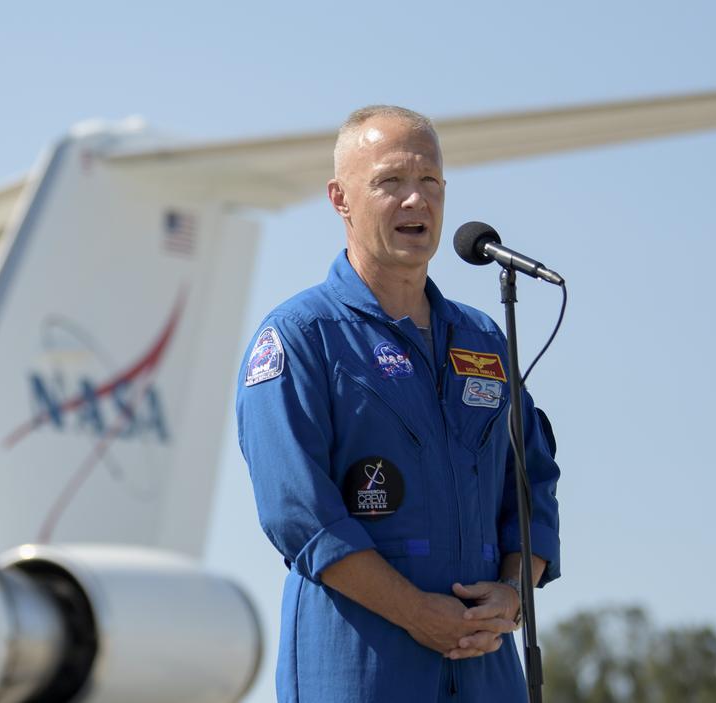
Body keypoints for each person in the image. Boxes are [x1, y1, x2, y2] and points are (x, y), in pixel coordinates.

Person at [235, 105, 560, 702]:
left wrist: (513, 595)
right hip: (359, 668)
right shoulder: (301, 338)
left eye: (430, 182)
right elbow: (300, 515)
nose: (417, 201)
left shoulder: (485, 341)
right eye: (391, 182)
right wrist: (415, 612)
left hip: (486, 671)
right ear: (341, 199)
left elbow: (532, 488)